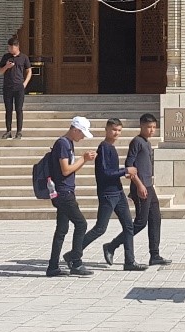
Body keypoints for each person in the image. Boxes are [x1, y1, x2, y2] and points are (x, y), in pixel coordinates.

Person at [80, 118, 145, 271]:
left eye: (119, 130)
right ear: (107, 130)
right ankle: (74, 254)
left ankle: (129, 261)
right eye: (114, 130)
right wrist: (125, 171)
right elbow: (105, 173)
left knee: (129, 226)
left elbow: (112, 173)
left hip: (118, 193)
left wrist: (123, 174)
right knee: (100, 228)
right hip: (108, 194)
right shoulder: (103, 148)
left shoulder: (111, 148)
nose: (116, 133)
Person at [46, 116, 96, 277]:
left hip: (64, 191)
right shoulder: (63, 144)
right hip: (63, 193)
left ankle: (53, 266)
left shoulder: (68, 144)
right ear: (74, 130)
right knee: (81, 224)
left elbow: (69, 169)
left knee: (61, 229)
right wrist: (84, 159)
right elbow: (66, 170)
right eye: (81, 133)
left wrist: (82, 159)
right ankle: (76, 261)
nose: (82, 137)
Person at [126, 113, 169, 266]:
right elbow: (129, 167)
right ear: (141, 126)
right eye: (148, 127)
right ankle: (113, 245)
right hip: (141, 187)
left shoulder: (147, 143)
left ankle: (155, 254)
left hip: (149, 187)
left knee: (155, 218)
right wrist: (139, 185)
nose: (151, 130)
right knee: (140, 222)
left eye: (153, 127)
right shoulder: (136, 142)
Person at [0, 38, 32, 139]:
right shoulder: (6, 57)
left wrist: (25, 83)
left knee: (19, 109)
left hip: (19, 87)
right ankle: (8, 131)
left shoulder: (24, 57)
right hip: (7, 87)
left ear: (17, 47)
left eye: (12, 47)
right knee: (8, 109)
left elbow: (29, 71)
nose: (10, 49)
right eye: (9, 47)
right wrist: (6, 67)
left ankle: (19, 131)